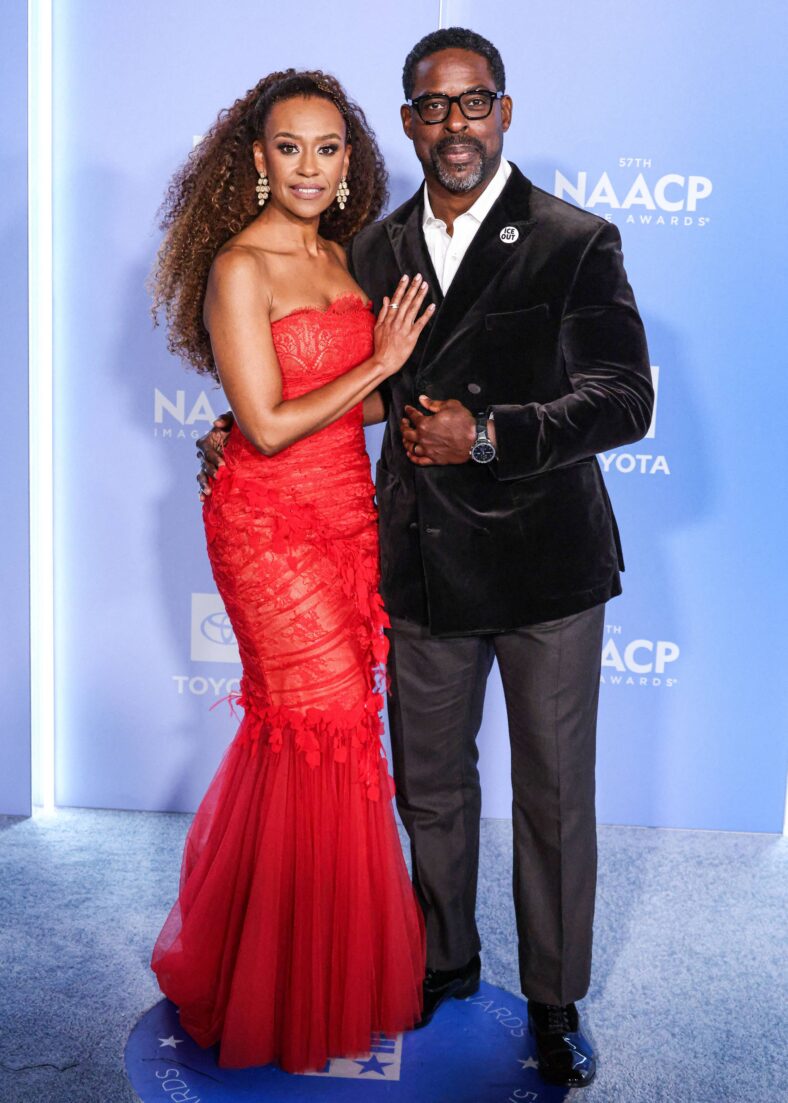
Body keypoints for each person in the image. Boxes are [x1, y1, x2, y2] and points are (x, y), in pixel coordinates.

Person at [199, 28, 653, 1089]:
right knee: (432, 790)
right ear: (405, 122)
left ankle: (553, 1000)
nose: (455, 125)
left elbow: (622, 399)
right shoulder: (369, 247)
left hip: (545, 570)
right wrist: (236, 429)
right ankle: (444, 960)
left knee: (551, 798)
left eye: (473, 102)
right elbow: (334, 389)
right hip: (416, 566)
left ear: (503, 110)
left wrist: (486, 435)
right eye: (432, 107)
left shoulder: (572, 238)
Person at [150, 70, 433, 1074]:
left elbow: (341, 409)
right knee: (308, 723)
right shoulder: (241, 264)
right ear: (256, 158)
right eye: (288, 147)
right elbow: (266, 426)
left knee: (339, 725)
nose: (308, 167)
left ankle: (312, 960)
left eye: (326, 148)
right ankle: (269, 979)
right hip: (267, 527)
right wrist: (381, 359)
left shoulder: (339, 256)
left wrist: (389, 379)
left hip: (344, 517)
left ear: (347, 159)